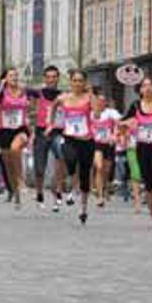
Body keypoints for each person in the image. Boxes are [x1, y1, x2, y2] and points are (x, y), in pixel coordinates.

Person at [122, 76, 152, 228]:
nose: (148, 88)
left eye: (151, 85)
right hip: (142, 148)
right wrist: (127, 124)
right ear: (140, 90)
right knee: (148, 183)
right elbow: (122, 122)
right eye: (144, 85)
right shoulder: (135, 106)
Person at [48, 69, 95, 224]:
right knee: (70, 160)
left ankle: (83, 208)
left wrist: (91, 94)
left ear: (85, 82)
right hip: (69, 138)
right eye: (75, 80)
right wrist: (51, 123)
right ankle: (71, 184)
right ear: (70, 82)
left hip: (86, 139)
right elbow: (53, 106)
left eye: (80, 81)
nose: (77, 83)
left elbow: (97, 113)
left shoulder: (89, 98)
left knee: (85, 174)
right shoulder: (64, 98)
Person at [0, 68, 32, 208]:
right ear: (5, 78)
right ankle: (16, 194)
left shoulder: (24, 90)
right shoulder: (1, 93)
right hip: (5, 130)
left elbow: (41, 96)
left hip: (20, 128)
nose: (14, 77)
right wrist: (0, 86)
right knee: (9, 167)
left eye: (16, 75)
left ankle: (21, 180)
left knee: (15, 148)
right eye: (11, 75)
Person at [32, 65, 66, 211]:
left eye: (54, 77)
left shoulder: (64, 95)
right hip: (41, 132)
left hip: (58, 132)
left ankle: (58, 189)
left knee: (62, 155)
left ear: (58, 78)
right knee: (40, 167)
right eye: (48, 77)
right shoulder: (38, 93)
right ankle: (39, 193)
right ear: (45, 79)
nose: (51, 80)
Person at [90, 91, 119, 209]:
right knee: (99, 167)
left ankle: (105, 187)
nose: (100, 103)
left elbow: (120, 123)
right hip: (96, 144)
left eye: (103, 101)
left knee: (106, 170)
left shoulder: (111, 113)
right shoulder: (91, 114)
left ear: (105, 103)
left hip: (109, 144)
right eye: (98, 101)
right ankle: (100, 196)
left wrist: (115, 135)